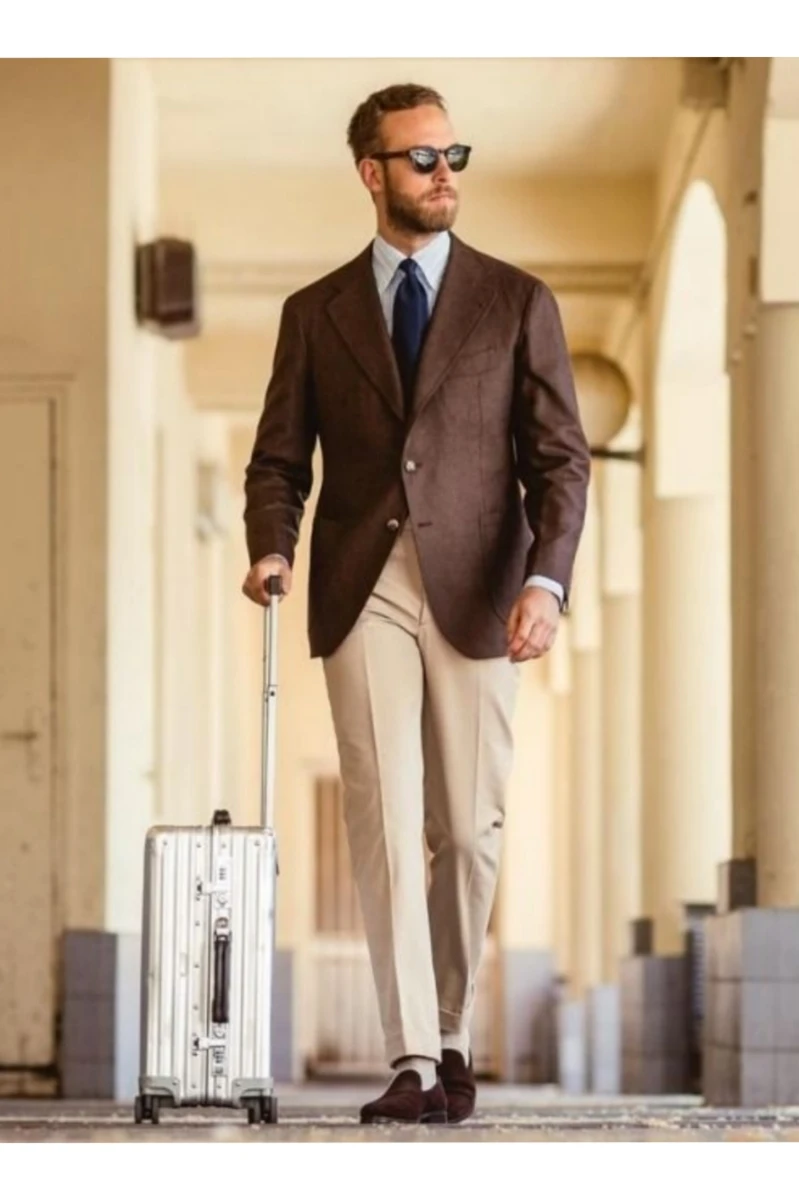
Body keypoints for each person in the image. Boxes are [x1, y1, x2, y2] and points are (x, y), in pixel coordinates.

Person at [242, 83, 591, 1125]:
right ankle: (410, 1059)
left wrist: (546, 578)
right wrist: (271, 546)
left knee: (468, 830)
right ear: (372, 173)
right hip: (363, 585)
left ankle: (451, 1033)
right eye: (422, 159)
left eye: (453, 155)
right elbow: (276, 459)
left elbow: (559, 458)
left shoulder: (516, 300)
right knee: (386, 822)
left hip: (484, 584)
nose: (446, 176)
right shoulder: (314, 314)